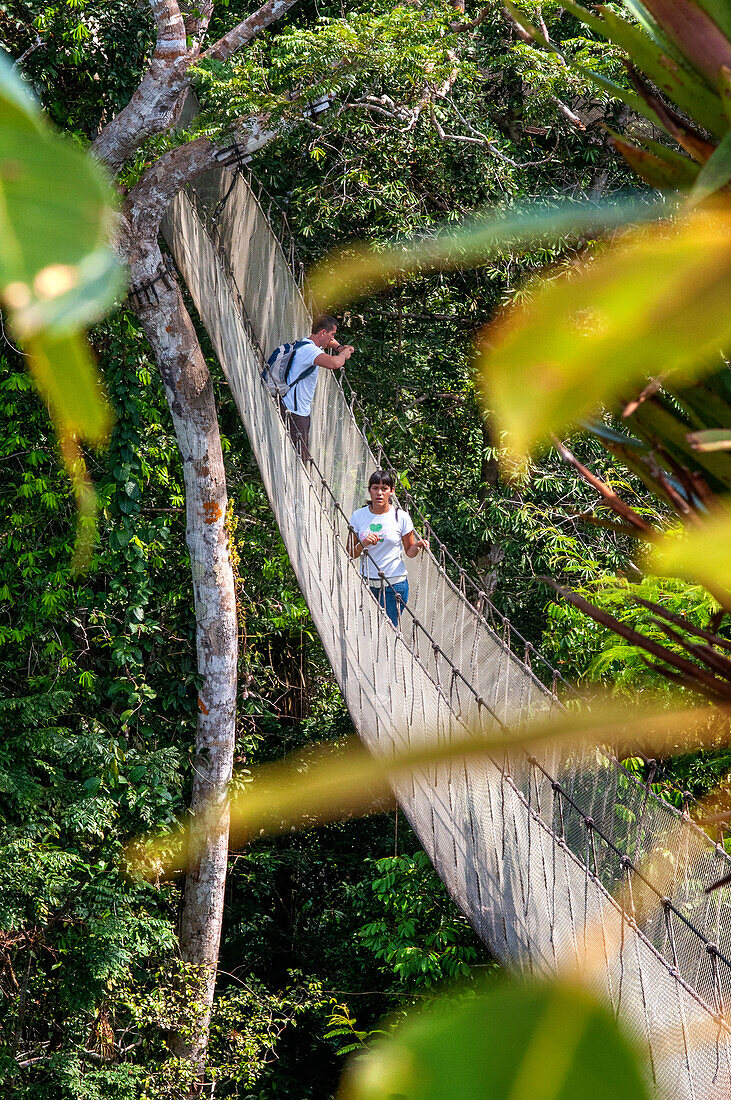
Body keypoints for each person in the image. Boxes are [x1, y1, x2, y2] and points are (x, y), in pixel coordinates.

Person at [348, 470, 429, 628]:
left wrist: (418, 546)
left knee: (387, 632)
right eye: (375, 488)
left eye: (384, 488)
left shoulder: (401, 517)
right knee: (367, 630)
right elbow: (350, 553)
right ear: (369, 490)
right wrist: (363, 543)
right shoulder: (358, 516)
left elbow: (409, 552)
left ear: (391, 491)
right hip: (368, 584)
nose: (379, 493)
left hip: (395, 586)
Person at [278, 315, 354, 462]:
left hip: (293, 408)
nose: (332, 339)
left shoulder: (305, 344)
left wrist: (338, 347)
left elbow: (329, 343)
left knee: (299, 457)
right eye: (332, 335)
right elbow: (335, 363)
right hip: (295, 412)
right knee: (298, 461)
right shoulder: (309, 351)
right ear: (323, 332)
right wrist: (343, 353)